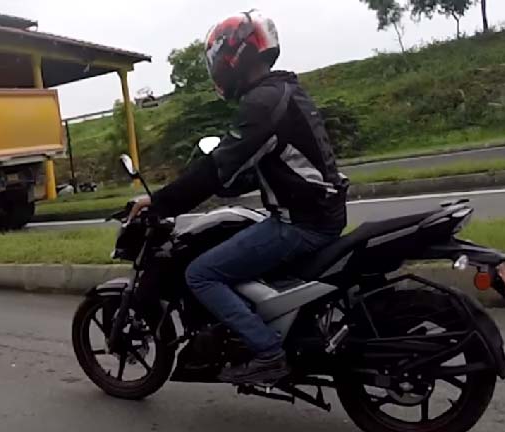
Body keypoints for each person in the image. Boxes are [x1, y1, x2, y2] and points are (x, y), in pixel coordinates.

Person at [129, 10, 348, 384]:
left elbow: (216, 168)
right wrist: (226, 184)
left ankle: (268, 352)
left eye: (218, 59)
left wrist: (160, 202)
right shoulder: (284, 91)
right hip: (319, 212)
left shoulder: (262, 103)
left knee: (201, 273)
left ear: (234, 57)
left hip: (301, 223)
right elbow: (262, 163)